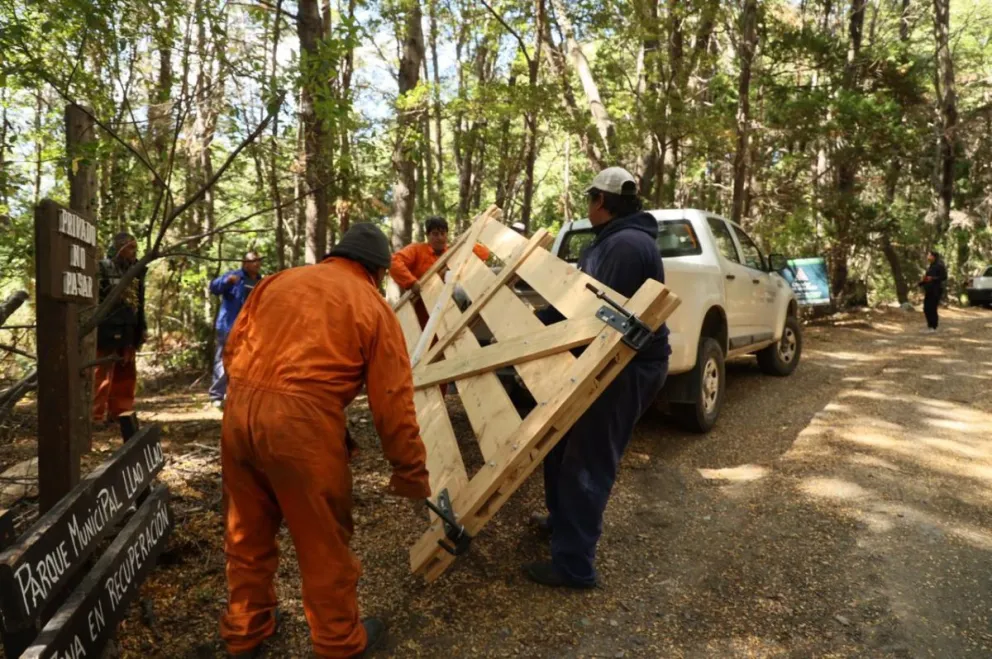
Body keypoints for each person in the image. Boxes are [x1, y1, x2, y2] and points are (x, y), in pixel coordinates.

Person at [219, 223, 431, 658]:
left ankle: (246, 632)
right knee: (323, 543)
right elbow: (392, 401)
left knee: (246, 534)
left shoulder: (277, 281)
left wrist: (253, 401)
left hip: (238, 415)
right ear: (374, 272)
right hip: (300, 429)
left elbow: (232, 348)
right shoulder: (370, 304)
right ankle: (338, 644)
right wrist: (409, 471)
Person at [525, 167, 670, 589]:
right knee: (560, 444)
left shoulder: (624, 246)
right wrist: (535, 323)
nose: (588, 205)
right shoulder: (611, 242)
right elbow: (578, 298)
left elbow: (595, 319)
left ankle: (574, 566)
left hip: (624, 366)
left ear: (602, 202)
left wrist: (542, 333)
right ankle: (561, 521)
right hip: (608, 360)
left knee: (587, 462)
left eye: (590, 198)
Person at [92, 232, 146, 425]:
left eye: (135, 248)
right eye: (130, 247)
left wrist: (142, 328)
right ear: (119, 247)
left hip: (129, 330)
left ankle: (120, 414)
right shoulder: (102, 268)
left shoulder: (137, 269)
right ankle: (95, 416)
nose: (134, 252)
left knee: (126, 374)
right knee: (101, 373)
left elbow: (140, 302)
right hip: (107, 329)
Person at [208, 252, 263, 408]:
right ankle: (216, 396)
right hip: (228, 325)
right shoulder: (234, 276)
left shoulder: (260, 282)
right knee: (222, 360)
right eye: (253, 261)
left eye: (258, 261)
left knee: (245, 361)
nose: (257, 264)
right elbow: (214, 287)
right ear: (245, 263)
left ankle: (237, 394)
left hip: (249, 329)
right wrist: (226, 281)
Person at [919, 249, 948, 332]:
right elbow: (927, 278)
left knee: (932, 308)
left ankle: (933, 327)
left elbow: (944, 277)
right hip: (929, 290)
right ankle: (929, 326)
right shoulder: (931, 266)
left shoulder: (939, 265)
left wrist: (933, 278)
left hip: (936, 290)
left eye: (929, 255)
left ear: (933, 257)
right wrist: (921, 283)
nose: (928, 257)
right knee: (926, 308)